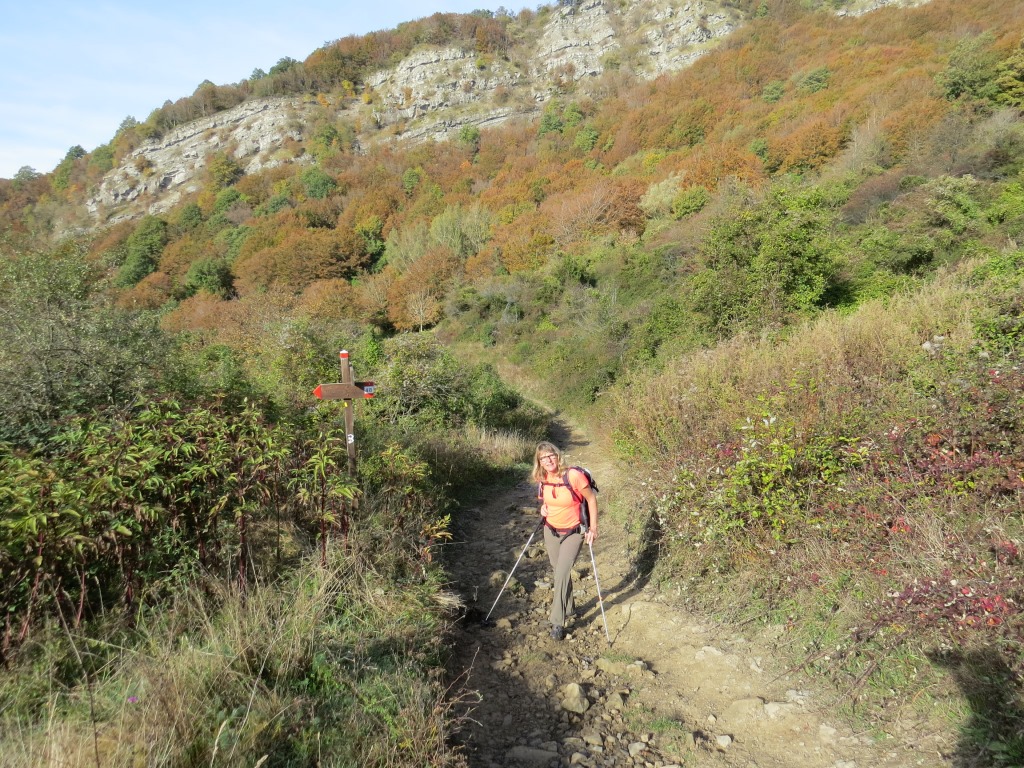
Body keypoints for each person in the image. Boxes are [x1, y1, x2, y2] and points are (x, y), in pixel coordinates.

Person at [532, 441, 598, 641]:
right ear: (539, 462)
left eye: (550, 455)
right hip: (550, 530)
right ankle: (569, 608)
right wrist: (543, 509)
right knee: (558, 570)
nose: (548, 460)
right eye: (543, 458)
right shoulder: (543, 477)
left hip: (573, 532)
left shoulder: (573, 475)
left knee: (561, 572)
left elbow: (591, 499)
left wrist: (593, 528)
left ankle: (557, 622)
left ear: (557, 456)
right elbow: (547, 501)